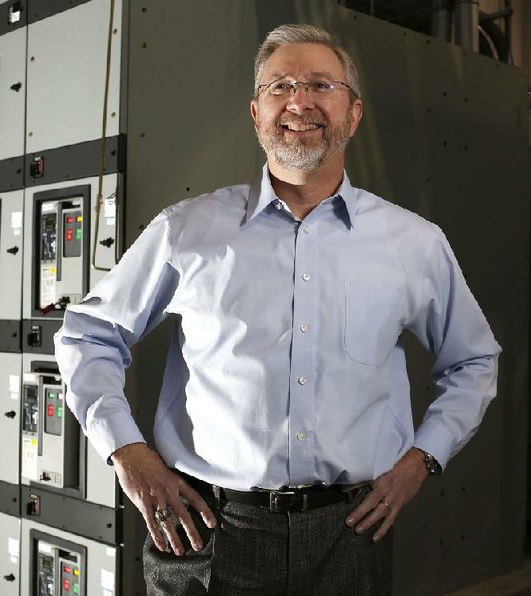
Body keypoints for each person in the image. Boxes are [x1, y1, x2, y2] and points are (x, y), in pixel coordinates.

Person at [55, 23, 500, 596]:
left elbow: (474, 360)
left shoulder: (413, 243)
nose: (299, 101)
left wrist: (422, 459)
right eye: (279, 86)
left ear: (355, 112)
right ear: (256, 112)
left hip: (351, 533)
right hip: (209, 532)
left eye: (321, 84)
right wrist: (127, 453)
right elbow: (90, 333)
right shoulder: (186, 231)